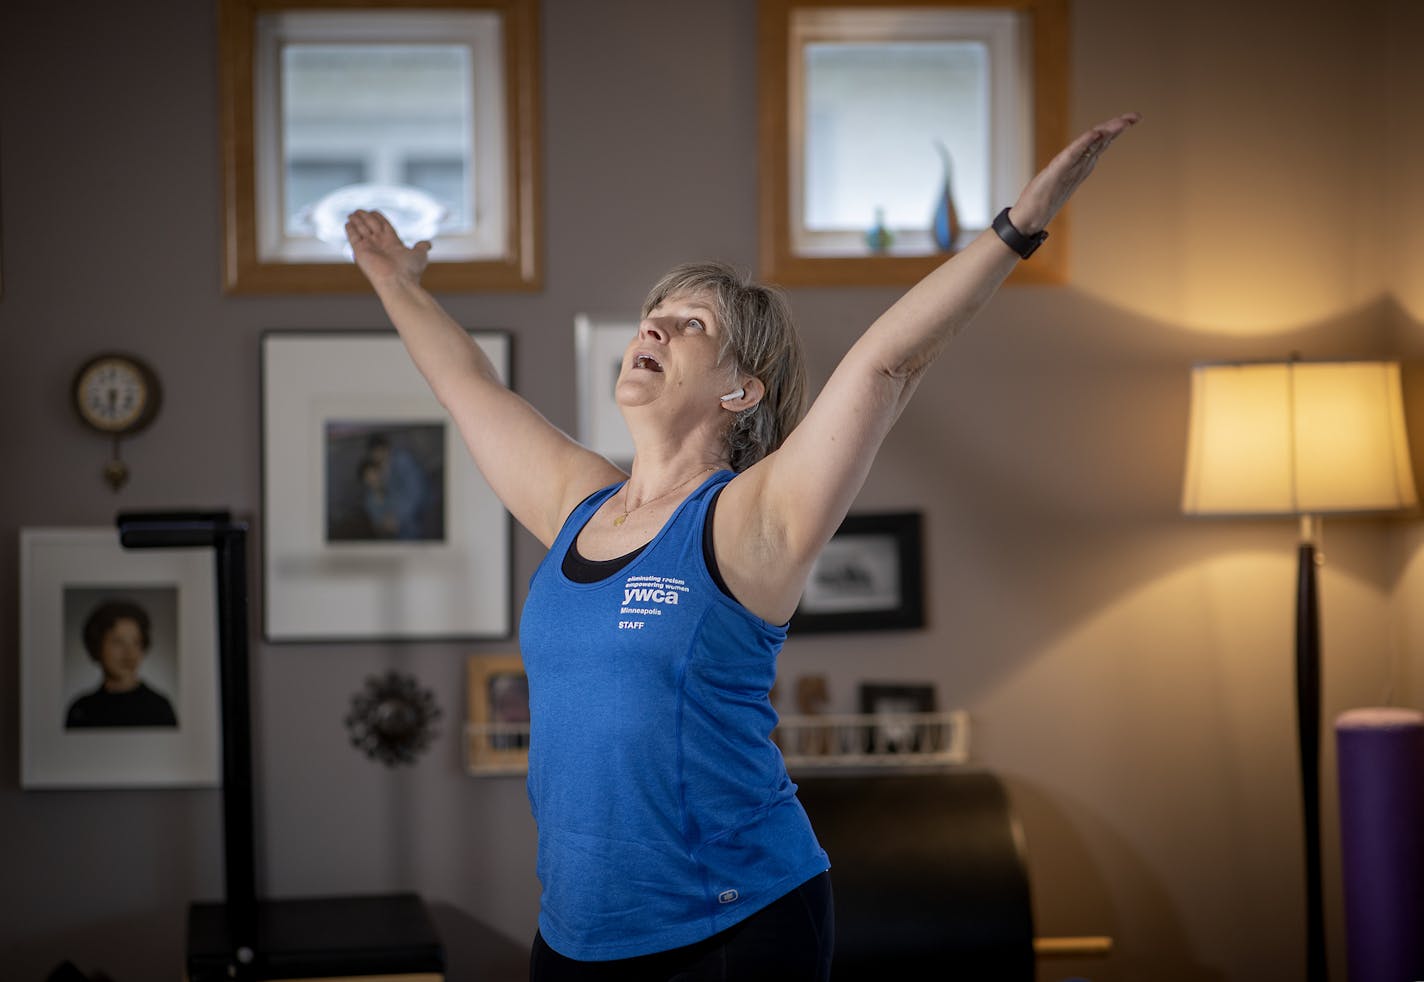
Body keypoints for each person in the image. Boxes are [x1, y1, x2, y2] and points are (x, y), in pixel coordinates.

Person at [345, 112, 1139, 981]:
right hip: (575, 931)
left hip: (730, 930)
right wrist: (395, 281)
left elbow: (887, 364)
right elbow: (466, 387)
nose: (653, 329)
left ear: (741, 391)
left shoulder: (748, 521)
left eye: (689, 325)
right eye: (652, 317)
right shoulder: (578, 506)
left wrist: (1020, 224)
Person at [65, 599, 178, 729]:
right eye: (118, 642)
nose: (129, 654)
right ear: (97, 646)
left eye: (136, 642)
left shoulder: (160, 708)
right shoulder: (81, 710)